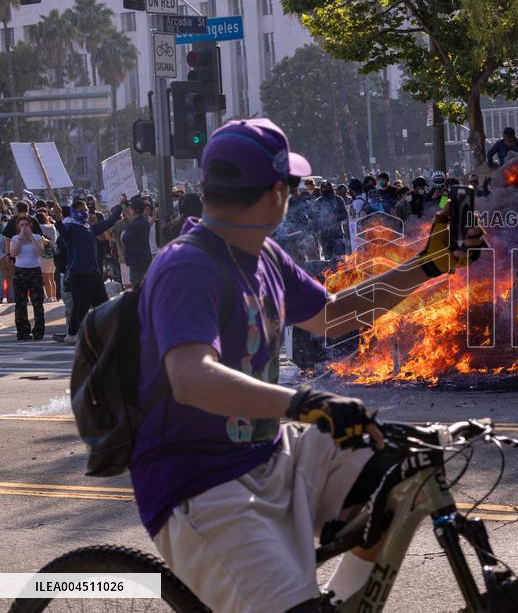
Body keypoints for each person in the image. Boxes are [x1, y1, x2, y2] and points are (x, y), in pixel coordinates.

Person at [129, 118, 484, 613]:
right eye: (292, 186)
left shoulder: (263, 256)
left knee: (397, 476)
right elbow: (191, 377)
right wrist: (305, 401)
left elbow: (335, 315)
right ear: (276, 192)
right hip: (202, 485)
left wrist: (431, 264)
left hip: (269, 453)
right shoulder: (188, 266)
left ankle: (339, 601)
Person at [52, 196, 124, 344]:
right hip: (78, 274)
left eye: (85, 209)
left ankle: (83, 333)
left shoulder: (89, 227)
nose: (84, 212)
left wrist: (120, 206)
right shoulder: (70, 228)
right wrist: (58, 216)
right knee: (81, 306)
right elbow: (60, 228)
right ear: (73, 212)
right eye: (81, 210)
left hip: (93, 273)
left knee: (102, 304)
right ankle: (79, 335)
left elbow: (108, 222)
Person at [9, 215, 46, 340]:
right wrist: (20, 238)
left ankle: (38, 331)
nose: (24, 227)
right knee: (20, 302)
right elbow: (13, 253)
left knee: (37, 302)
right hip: (20, 271)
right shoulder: (15, 238)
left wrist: (31, 237)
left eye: (26, 224)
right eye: (22, 225)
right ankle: (23, 331)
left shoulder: (37, 237)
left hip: (35, 271)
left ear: (31, 226)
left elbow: (40, 252)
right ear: (18, 227)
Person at [313, 181, 349, 264]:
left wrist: (336, 217)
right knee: (328, 262)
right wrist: (316, 230)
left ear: (331, 188)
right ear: (321, 190)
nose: (326, 190)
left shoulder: (338, 199)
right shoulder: (318, 202)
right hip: (324, 236)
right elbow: (314, 218)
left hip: (337, 235)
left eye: (328, 188)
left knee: (341, 260)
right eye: (324, 188)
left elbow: (344, 213)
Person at [123, 196, 154, 287]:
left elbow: (125, 238)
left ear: (134, 210)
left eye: (130, 208)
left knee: (138, 290)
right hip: (145, 260)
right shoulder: (144, 221)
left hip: (137, 264)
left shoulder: (135, 225)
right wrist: (125, 204)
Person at [35, 209, 58, 301]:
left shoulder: (39, 228)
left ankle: (49, 297)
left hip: (43, 254)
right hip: (52, 254)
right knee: (51, 277)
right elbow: (54, 241)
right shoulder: (52, 227)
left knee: (45, 277)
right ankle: (53, 296)